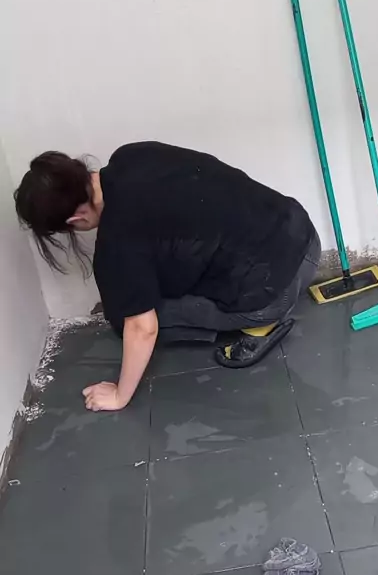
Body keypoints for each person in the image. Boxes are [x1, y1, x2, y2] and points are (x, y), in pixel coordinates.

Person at [15, 141, 320, 412]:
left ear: (75, 218)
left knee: (125, 317)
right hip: (305, 239)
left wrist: (120, 395)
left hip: (274, 294)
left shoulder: (117, 244)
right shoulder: (133, 154)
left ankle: (259, 326)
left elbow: (142, 329)